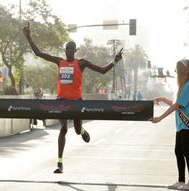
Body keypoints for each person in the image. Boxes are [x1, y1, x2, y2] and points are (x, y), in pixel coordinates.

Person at [22, 22, 123, 173]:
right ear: (65, 50)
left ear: (75, 51)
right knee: (63, 128)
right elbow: (39, 54)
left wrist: (115, 61)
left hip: (76, 102)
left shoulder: (81, 63)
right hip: (61, 101)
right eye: (67, 48)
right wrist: (29, 37)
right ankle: (60, 163)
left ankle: (82, 130)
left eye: (72, 48)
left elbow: (102, 71)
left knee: (76, 130)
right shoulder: (59, 61)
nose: (69, 51)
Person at [149, 59, 189, 191]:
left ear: (183, 71)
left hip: (187, 124)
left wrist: (160, 118)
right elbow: (177, 103)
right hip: (181, 125)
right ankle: (181, 180)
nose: (175, 72)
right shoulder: (184, 86)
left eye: (177, 69)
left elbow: (177, 105)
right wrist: (164, 99)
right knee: (178, 151)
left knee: (187, 152)